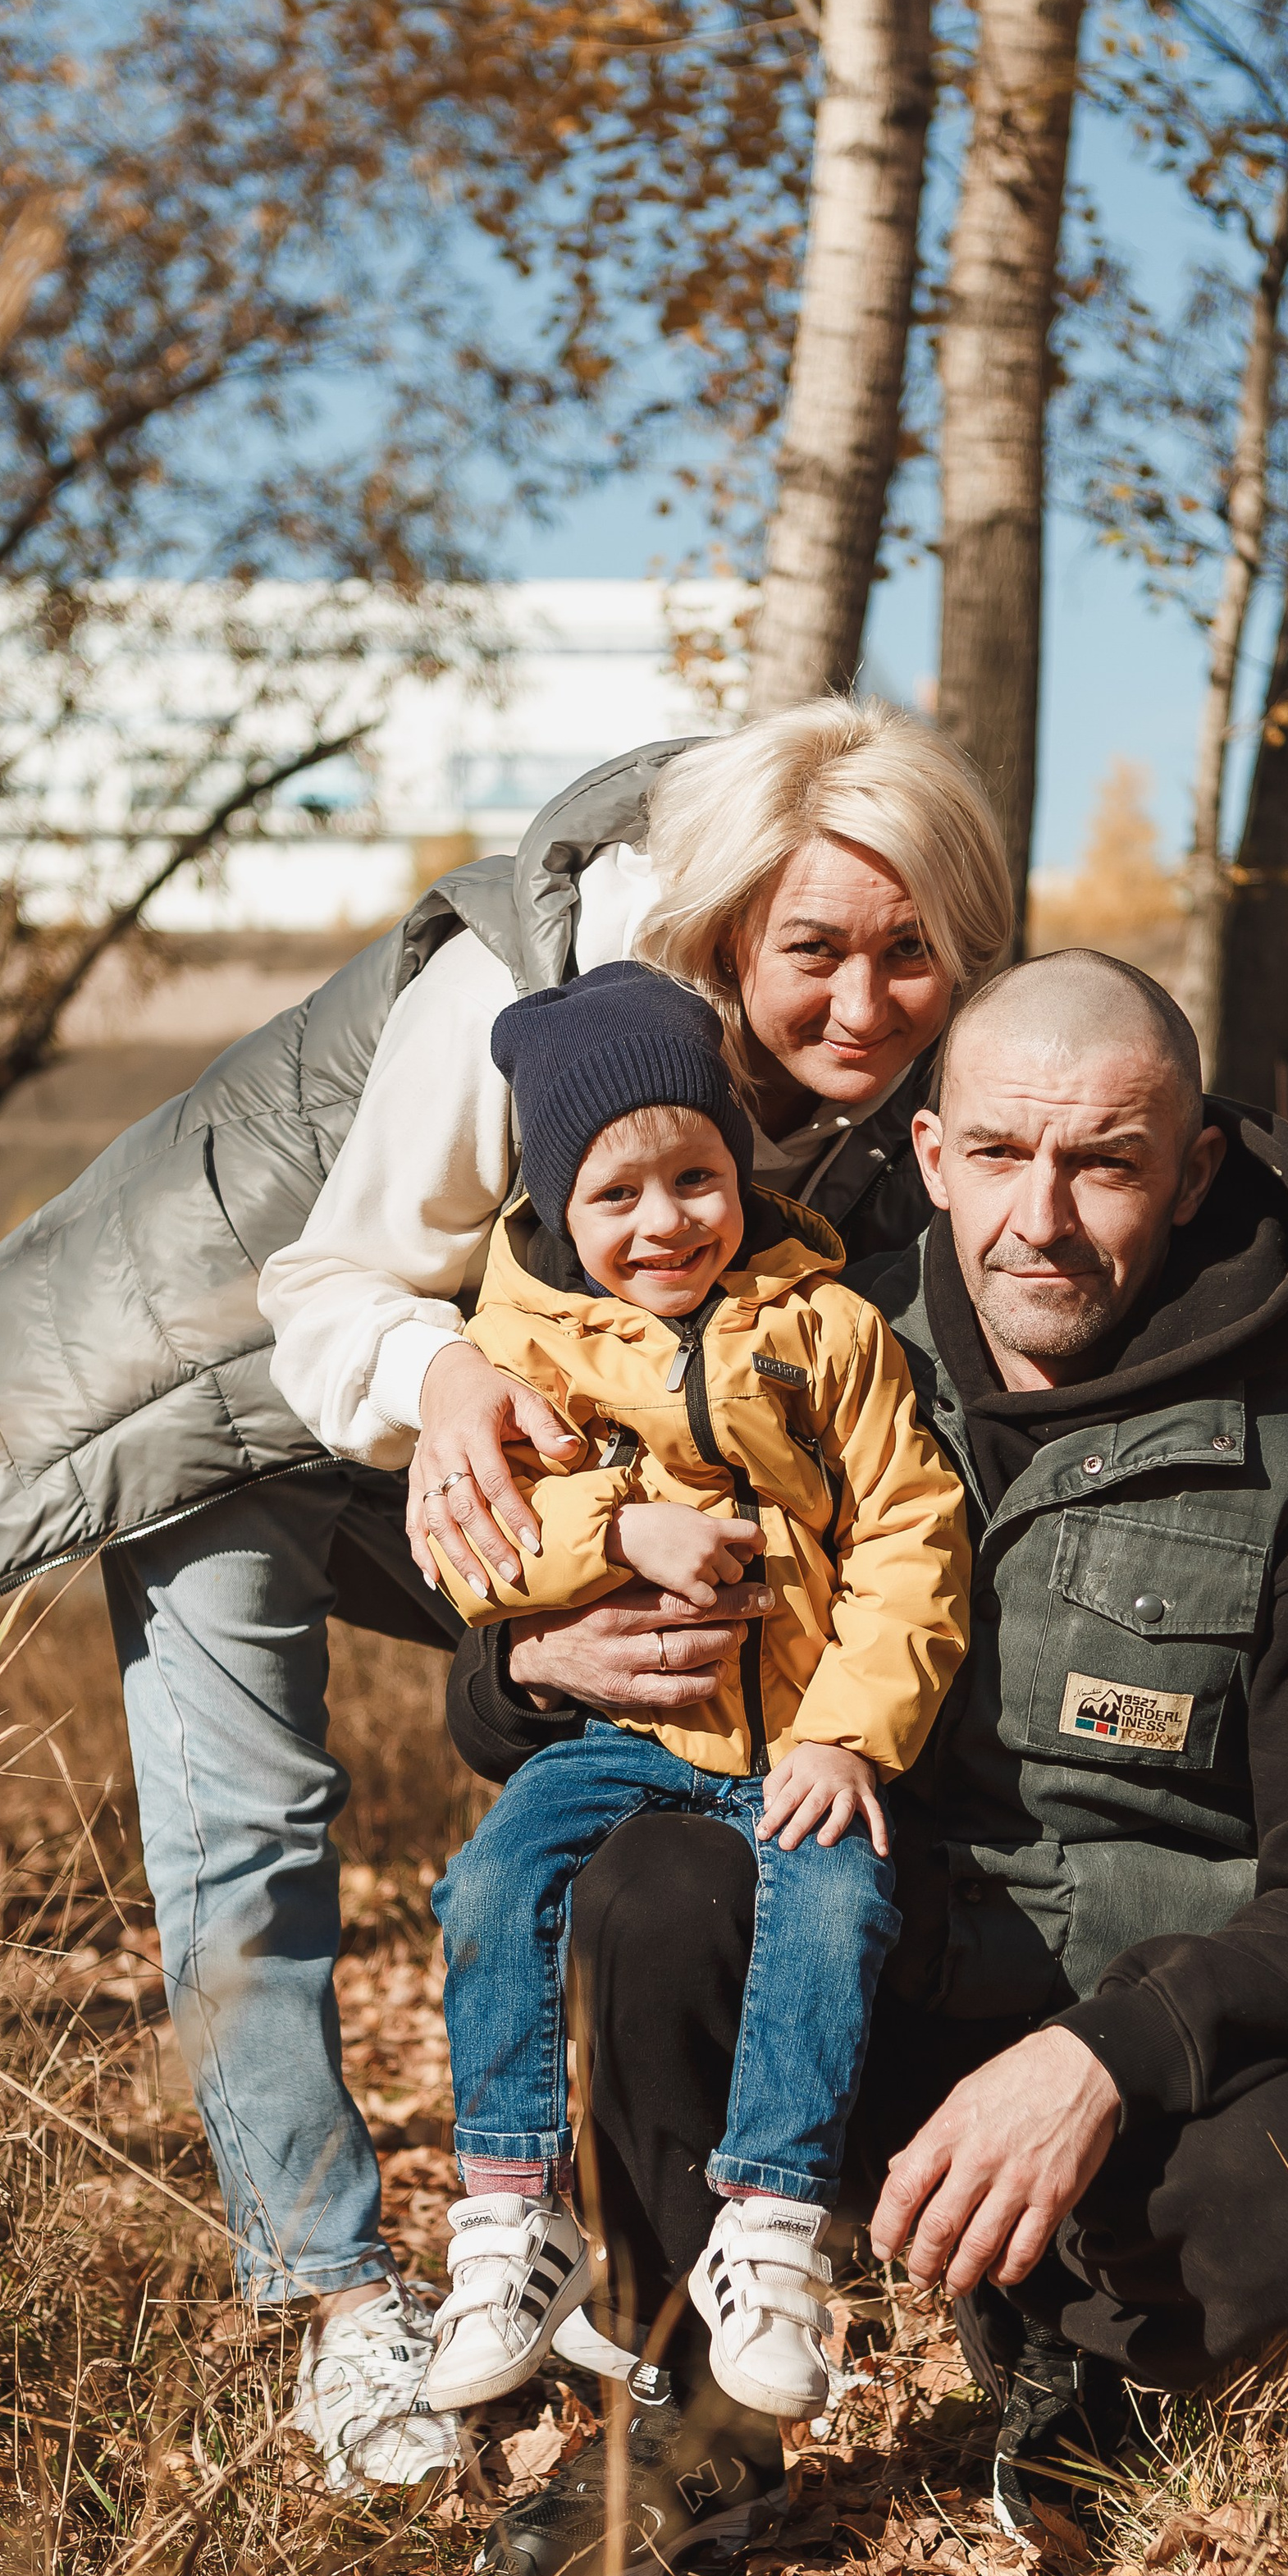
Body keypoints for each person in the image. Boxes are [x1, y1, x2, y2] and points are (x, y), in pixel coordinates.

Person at [0, 697, 1288, 2501]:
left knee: (676, 1784)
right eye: (812, 953)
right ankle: (342, 2301)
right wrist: (447, 1424)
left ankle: (677, 2233)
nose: (869, 1006)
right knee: (251, 1825)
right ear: (728, 927)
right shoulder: (513, 1008)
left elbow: (1097, 1096)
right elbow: (328, 1282)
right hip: (259, 1396)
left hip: (571, 1443)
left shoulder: (883, 990)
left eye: (917, 959)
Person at [445, 950, 1288, 2576]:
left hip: (1108, 2055)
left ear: (1192, 1167)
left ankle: (1082, 2375)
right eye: (996, 1156)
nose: (1040, 1221)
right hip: (827, 2008)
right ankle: (690, 2412)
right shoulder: (786, 1343)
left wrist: (1103, 2058)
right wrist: (520, 1669)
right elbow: (521, 1635)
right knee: (651, 1886)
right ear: (928, 1154)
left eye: (1105, 1165)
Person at [414, 963, 967, 2418]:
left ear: (738, 1165)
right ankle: (512, 2213)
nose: (666, 1222)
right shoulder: (520, 1353)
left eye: (697, 1176)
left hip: (796, 1738)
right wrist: (617, 1531)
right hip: (620, 1735)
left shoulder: (830, 1330)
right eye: (617, 1198)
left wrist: (852, 1735)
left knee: (837, 1900)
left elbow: (913, 1534)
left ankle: (772, 2232)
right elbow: (470, 1556)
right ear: (555, 1210)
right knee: (492, 1881)